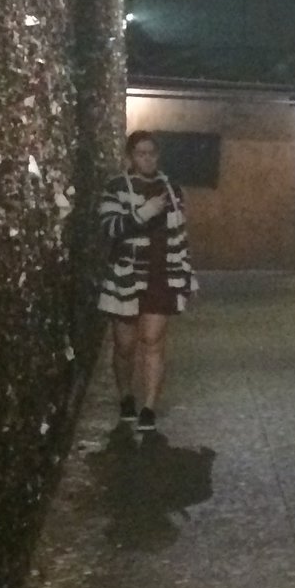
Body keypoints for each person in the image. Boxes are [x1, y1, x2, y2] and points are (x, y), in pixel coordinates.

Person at [98, 130, 196, 432]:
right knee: (125, 345)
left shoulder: (171, 189)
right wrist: (143, 212)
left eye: (152, 153)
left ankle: (149, 407)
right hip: (126, 275)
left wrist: (185, 274)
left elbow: (179, 234)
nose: (147, 158)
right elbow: (109, 228)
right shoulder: (115, 188)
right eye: (141, 153)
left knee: (153, 341)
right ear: (130, 156)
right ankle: (126, 395)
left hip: (160, 273)